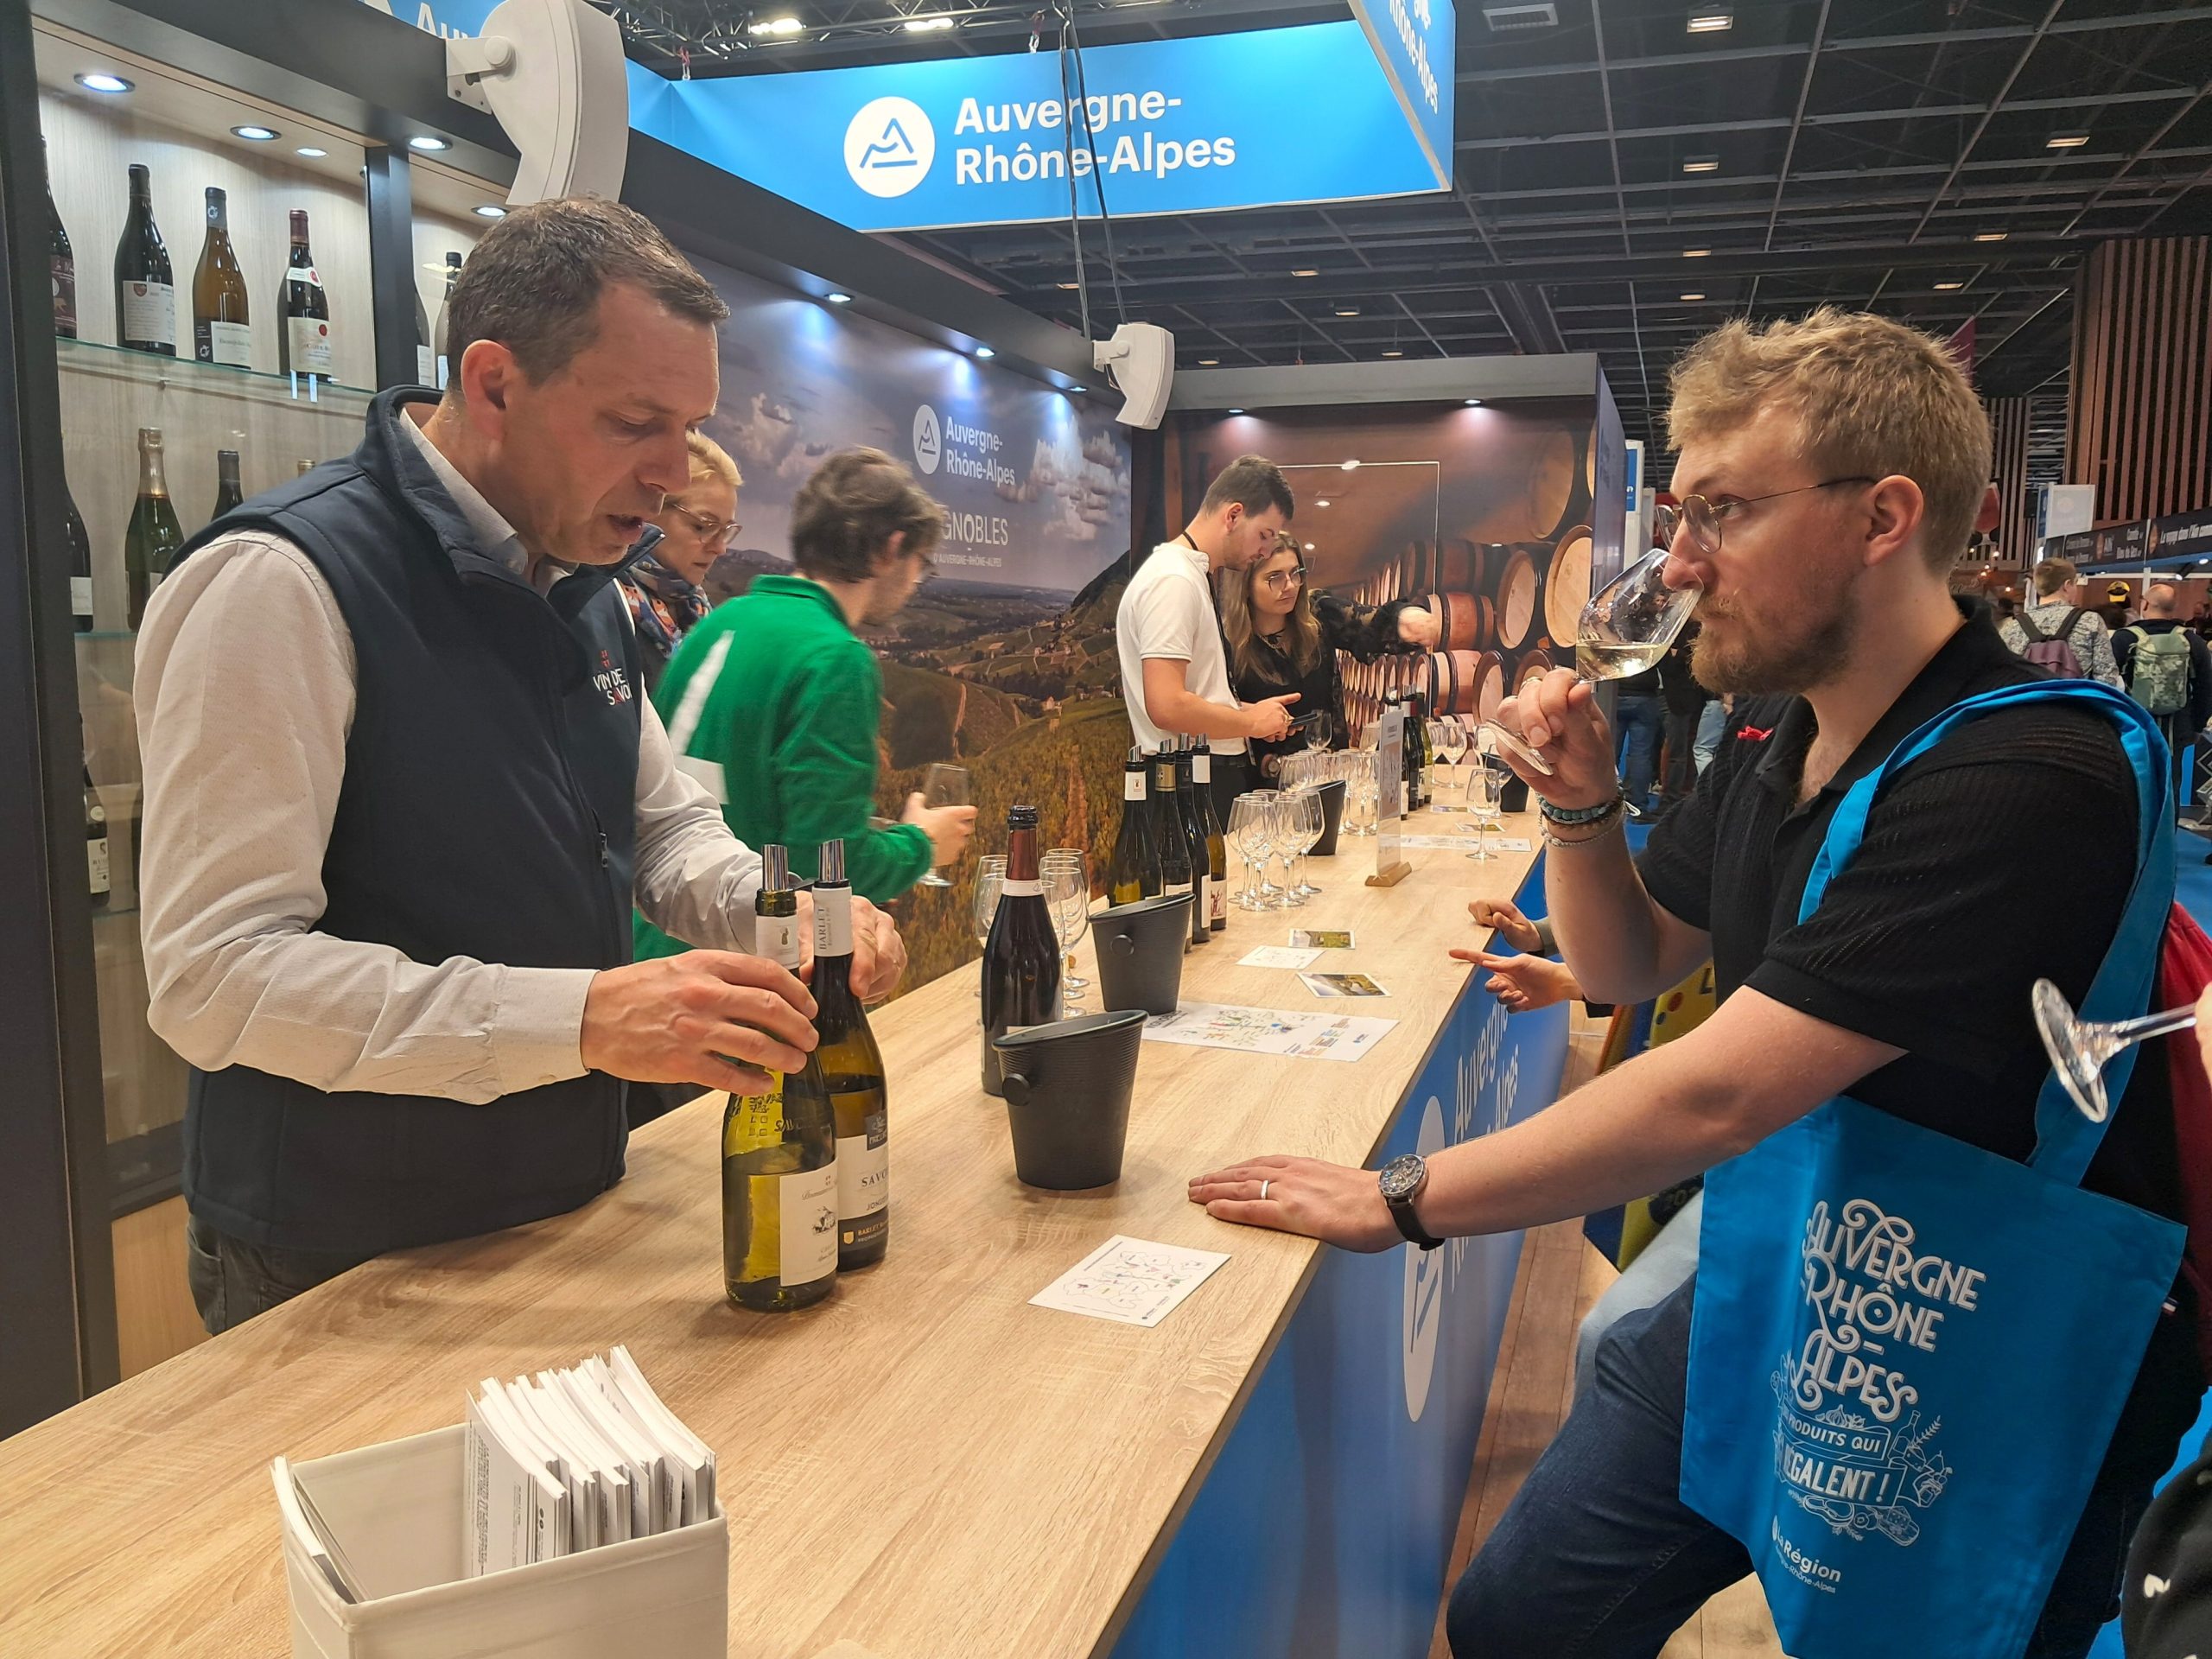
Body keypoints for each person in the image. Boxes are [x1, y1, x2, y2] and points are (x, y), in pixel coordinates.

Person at [1189, 307, 2196, 1658]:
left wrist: (1401, 1198)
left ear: (1882, 517)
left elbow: (1722, 1094)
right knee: (1521, 1618)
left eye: (1722, 512)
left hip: (1993, 1325)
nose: (1678, 562)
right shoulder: (1785, 740)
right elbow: (1630, 964)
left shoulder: (2027, 774)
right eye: (1679, 515)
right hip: (1798, 1267)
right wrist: (1580, 802)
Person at [136, 197, 906, 1335]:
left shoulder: (582, 580)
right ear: (494, 384)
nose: (671, 474)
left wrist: (780, 913)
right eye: (635, 423)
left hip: (562, 1209)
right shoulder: (280, 582)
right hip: (345, 1257)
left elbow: (663, 829)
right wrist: (583, 1019)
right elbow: (213, 977)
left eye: (689, 426)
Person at [635, 446, 976, 942]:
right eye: (920, 564)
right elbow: (827, 865)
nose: (915, 584)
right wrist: (922, 844)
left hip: (655, 945)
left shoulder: (720, 621)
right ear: (890, 549)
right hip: (744, 962)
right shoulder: (834, 657)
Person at [1117, 454, 1301, 820]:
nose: (1266, 551)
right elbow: (1167, 705)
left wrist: (1248, 711)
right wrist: (1250, 723)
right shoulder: (1173, 580)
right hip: (1186, 783)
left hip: (1196, 776)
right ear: (1233, 515)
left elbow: (1195, 694)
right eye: (1264, 535)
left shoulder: (1190, 574)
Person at [1218, 537, 1439, 779]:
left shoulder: (1317, 614)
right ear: (1245, 586)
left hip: (1328, 775)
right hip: (1264, 783)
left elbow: (1367, 623)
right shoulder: (1227, 643)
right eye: (1275, 577)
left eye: (1295, 573)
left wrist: (1403, 619)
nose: (1290, 585)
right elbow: (1216, 713)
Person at [619, 430, 739, 695]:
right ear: (651, 509)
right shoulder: (601, 601)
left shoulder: (700, 611)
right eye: (703, 525)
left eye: (727, 531)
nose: (720, 548)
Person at [2113, 582, 2212, 815]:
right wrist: (2197, 726)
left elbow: (2108, 682)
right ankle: (2167, 833)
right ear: (2173, 608)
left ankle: (2136, 833)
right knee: (2171, 784)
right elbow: (2206, 687)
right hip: (2177, 726)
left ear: (2145, 604)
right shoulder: (2192, 641)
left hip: (2134, 724)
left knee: (2132, 783)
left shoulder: (2124, 639)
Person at [2000, 556, 2121, 684]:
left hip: (2027, 696)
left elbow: (2003, 675)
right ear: (2067, 585)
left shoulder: (2012, 626)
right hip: (2074, 696)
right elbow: (2107, 677)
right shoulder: (2090, 621)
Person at [1656, 621, 1712, 808]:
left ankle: (1671, 798)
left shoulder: (1686, 630)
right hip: (1688, 699)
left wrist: (1674, 654)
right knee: (1686, 748)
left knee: (1678, 751)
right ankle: (1678, 794)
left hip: (1680, 700)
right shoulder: (1690, 631)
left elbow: (1671, 667)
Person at [1611, 657, 1663, 816]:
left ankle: (1605, 802)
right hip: (1644, 695)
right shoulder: (1649, 639)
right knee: (1641, 754)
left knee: (1609, 751)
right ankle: (1637, 805)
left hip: (1615, 691)